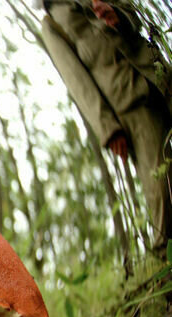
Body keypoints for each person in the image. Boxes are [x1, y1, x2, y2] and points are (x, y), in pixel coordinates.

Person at [40, 0, 172, 250]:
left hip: (158, 72)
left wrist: (119, 16)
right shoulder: (52, 24)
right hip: (129, 102)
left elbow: (133, 15)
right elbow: (76, 80)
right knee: (162, 185)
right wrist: (107, 128)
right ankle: (165, 258)